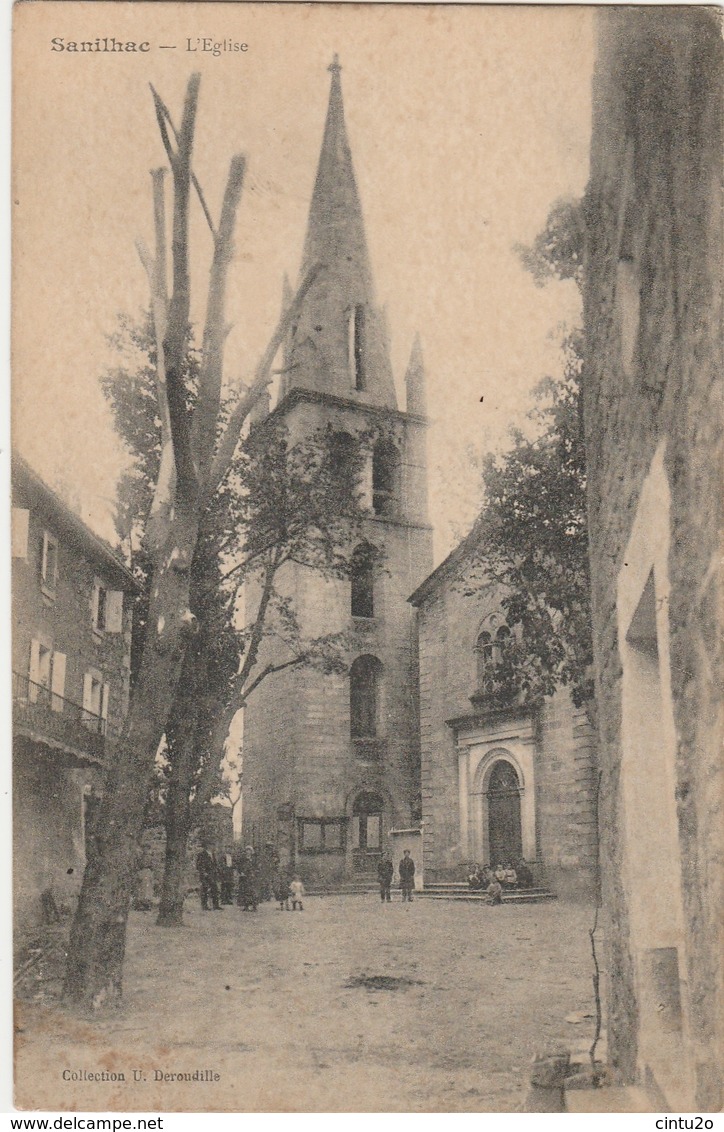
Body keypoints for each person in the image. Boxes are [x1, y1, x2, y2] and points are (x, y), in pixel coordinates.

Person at [195, 844, 221, 911]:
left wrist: (216, 872)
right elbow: (198, 865)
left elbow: (215, 864)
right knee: (205, 889)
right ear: (208, 846)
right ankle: (204, 906)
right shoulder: (201, 854)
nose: (213, 847)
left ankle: (216, 905)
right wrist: (203, 872)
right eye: (212, 845)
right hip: (205, 875)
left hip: (212, 875)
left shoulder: (213, 854)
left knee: (215, 889)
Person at [236, 845, 259, 911]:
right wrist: (241, 872)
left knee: (253, 892)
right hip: (244, 877)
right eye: (247, 850)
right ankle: (246, 906)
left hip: (252, 877)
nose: (248, 852)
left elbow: (257, 867)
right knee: (245, 891)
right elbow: (239, 867)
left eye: (249, 850)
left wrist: (254, 873)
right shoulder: (242, 859)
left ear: (251, 851)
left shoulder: (254, 859)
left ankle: (254, 906)